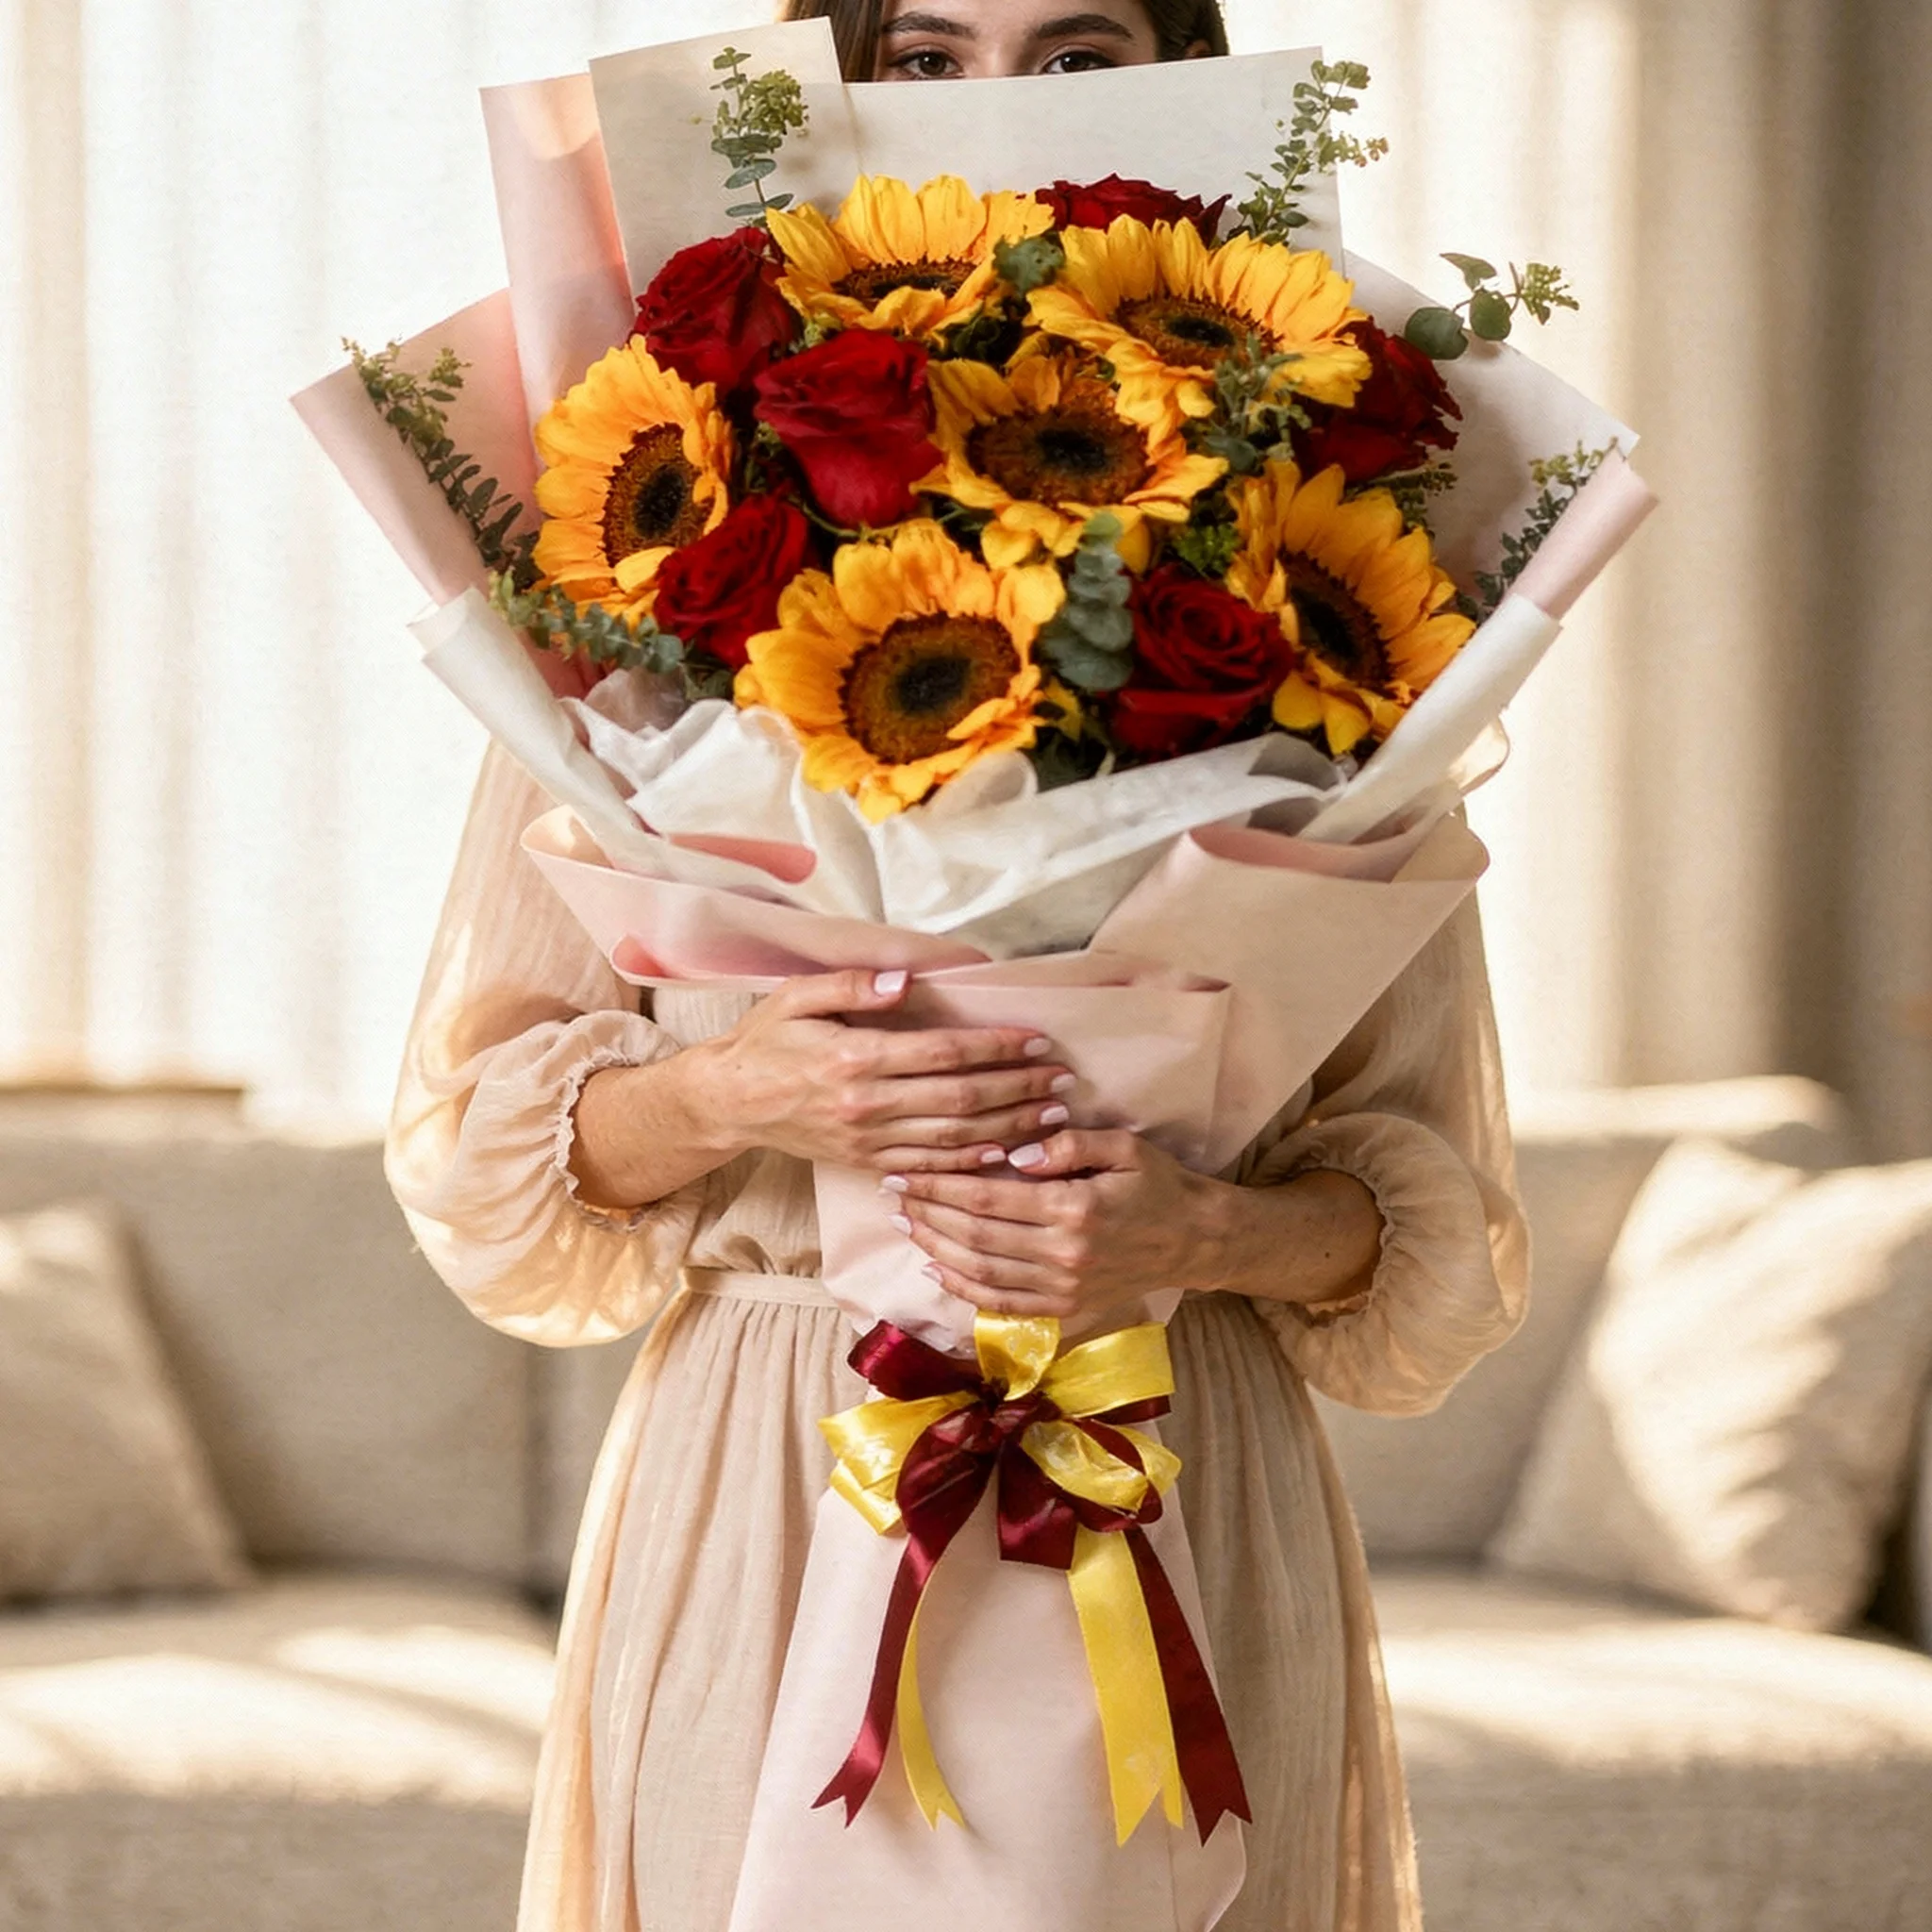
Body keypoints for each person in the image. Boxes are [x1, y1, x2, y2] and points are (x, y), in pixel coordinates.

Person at [386, 3, 1530, 1928]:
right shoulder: (640, 582)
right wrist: (741, 1091)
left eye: (1078, 56)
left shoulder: (1322, 604)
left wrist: (1202, 1234)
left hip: (1173, 1453)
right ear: (829, 88)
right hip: (771, 1479)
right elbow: (477, 1169)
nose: (996, 110)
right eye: (925, 54)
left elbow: (1432, 1230)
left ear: (1183, 84)